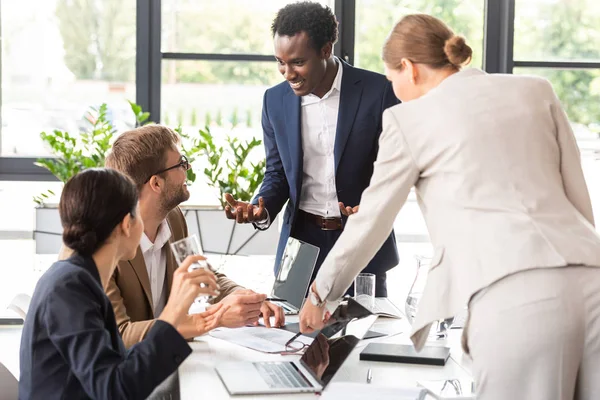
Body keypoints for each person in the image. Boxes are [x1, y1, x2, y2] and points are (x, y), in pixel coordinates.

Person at [299, 13, 600, 400]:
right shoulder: (536, 90)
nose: (395, 92)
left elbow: (370, 222)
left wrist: (319, 296)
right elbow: (577, 196)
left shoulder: (408, 119)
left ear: (408, 68)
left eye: (393, 81)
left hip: (516, 299)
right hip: (591, 280)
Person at [224, 1, 399, 297]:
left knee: (364, 337)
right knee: (290, 338)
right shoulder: (274, 101)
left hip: (361, 241)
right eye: (280, 61)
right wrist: (259, 208)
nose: (287, 72)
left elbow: (396, 170)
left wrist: (373, 207)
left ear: (325, 49)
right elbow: (277, 173)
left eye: (297, 62)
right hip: (300, 243)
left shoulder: (380, 91)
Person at [60, 125, 284, 349]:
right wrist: (215, 318)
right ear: (156, 183)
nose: (188, 168)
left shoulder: (173, 218)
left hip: (161, 361)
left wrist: (247, 298)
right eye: (181, 163)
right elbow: (119, 334)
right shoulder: (101, 243)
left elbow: (201, 275)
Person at [19, 168, 226, 399]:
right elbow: (113, 391)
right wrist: (172, 312)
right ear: (127, 224)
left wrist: (177, 322)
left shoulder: (79, 279)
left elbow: (114, 365)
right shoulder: (69, 287)